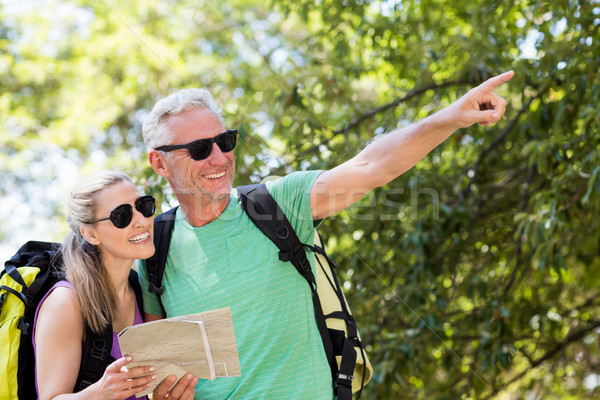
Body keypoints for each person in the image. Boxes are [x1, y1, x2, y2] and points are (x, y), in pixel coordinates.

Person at [139, 70, 515, 399]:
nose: (219, 158)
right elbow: (160, 373)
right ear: (160, 162)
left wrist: (451, 117)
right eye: (200, 149)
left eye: (225, 141)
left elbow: (371, 166)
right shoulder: (153, 249)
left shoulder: (278, 204)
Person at [33, 171, 199, 400]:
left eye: (144, 206)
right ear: (90, 234)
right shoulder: (66, 302)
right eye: (122, 215)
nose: (141, 220)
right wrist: (100, 393)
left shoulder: (143, 291)